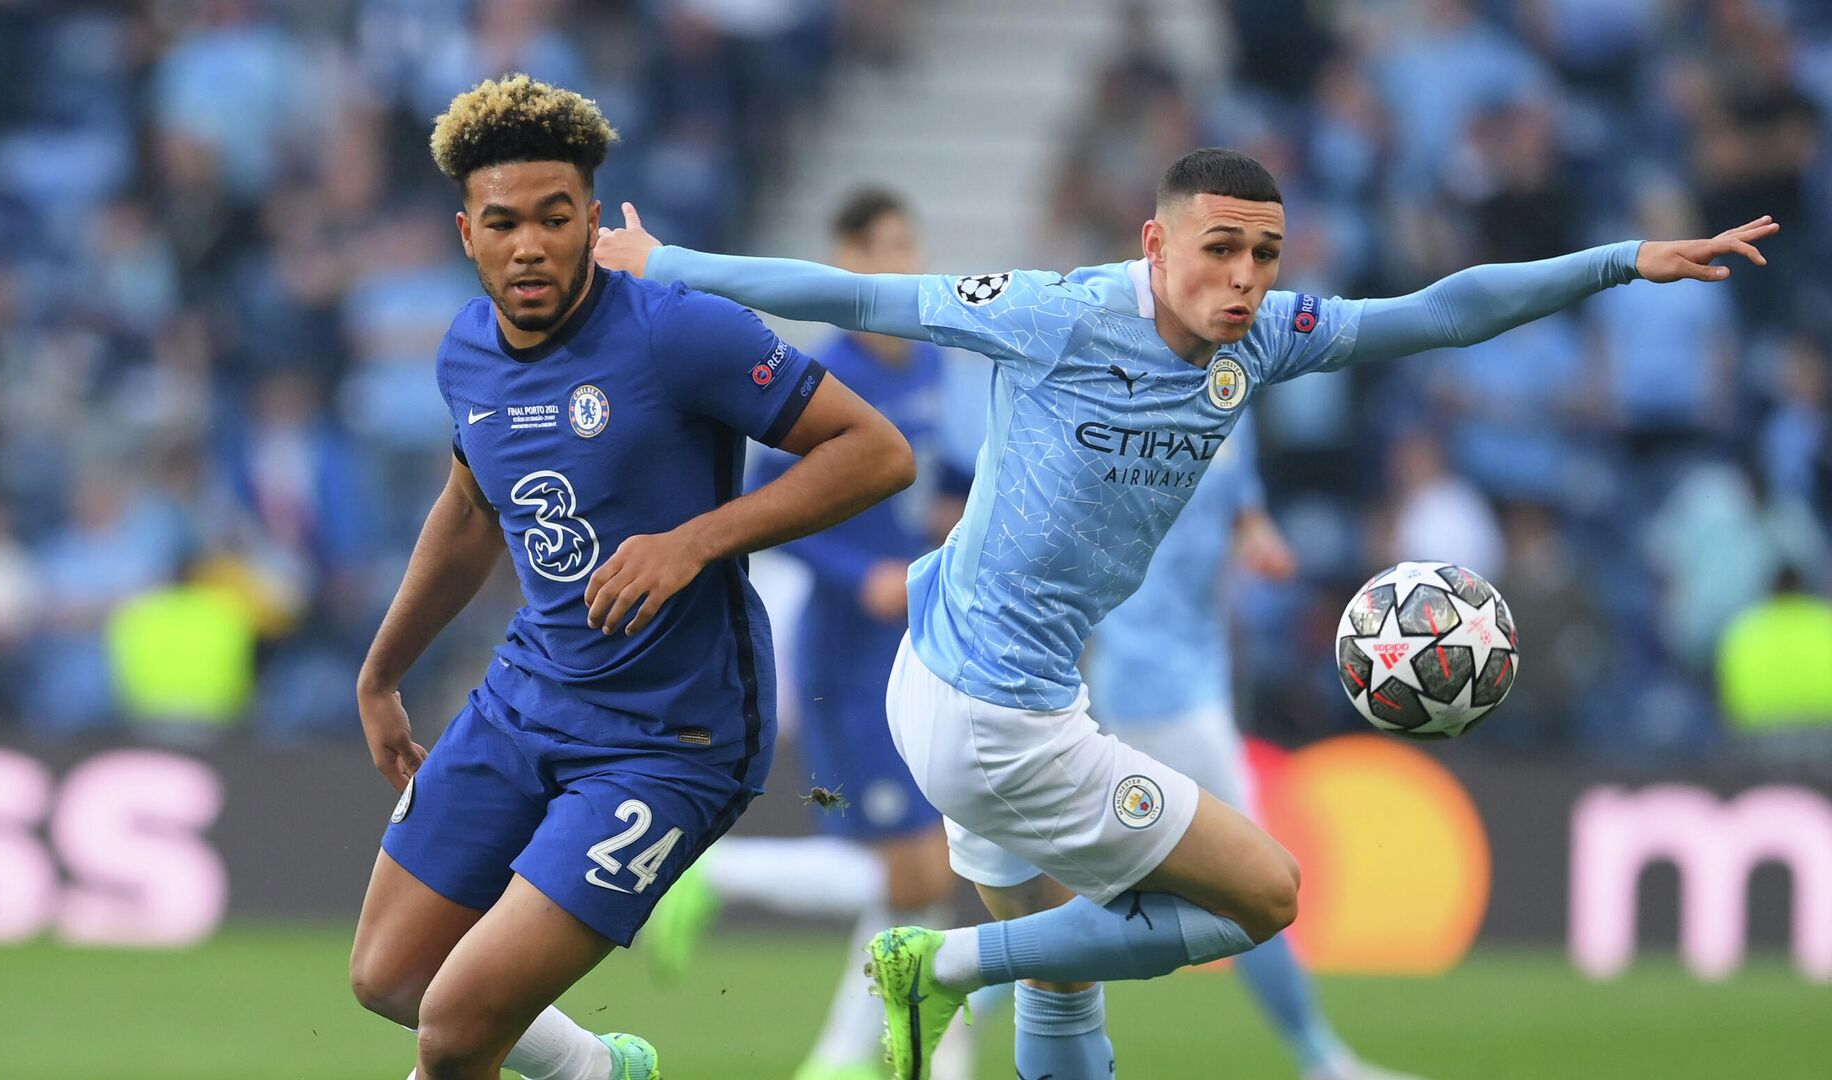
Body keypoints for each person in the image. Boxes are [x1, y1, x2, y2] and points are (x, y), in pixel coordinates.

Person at [596, 146, 1775, 1080]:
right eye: (1222, 250)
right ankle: (941, 965)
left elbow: (1443, 309)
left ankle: (972, 969)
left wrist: (1622, 259)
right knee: (1262, 898)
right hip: (996, 721)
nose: (1248, 278)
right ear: (1156, 243)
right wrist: (667, 264)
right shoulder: (1057, 311)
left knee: (1068, 982)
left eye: (1266, 252)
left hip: (978, 685)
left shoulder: (1261, 341)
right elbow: (855, 292)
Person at [346, 75, 915, 1080]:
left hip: (671, 738)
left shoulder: (675, 330)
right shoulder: (466, 350)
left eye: (556, 219)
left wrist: (695, 539)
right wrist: (381, 673)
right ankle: (598, 1070)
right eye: (504, 223)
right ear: (465, 233)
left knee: (456, 1027)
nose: (531, 246)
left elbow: (874, 454)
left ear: (593, 219)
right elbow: (471, 512)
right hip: (527, 700)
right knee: (393, 980)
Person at [641, 188, 975, 1080]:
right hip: (844, 646)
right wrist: (853, 573)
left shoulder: (931, 366)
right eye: (883, 245)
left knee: (930, 869)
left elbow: (957, 467)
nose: (901, 259)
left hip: (918, 641)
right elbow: (768, 505)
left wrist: (952, 510)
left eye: (910, 241)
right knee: (918, 870)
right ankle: (724, 881)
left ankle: (863, 1057)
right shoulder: (820, 376)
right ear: (845, 258)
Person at [1087, 416, 1423, 1080]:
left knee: (1098, 883)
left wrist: (1258, 539)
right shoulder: (1128, 398)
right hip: (1153, 686)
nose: (1241, 307)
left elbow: (1240, 510)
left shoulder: (1228, 398)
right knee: (1255, 887)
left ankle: (959, 993)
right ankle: (1321, 1059)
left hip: (1195, 681)